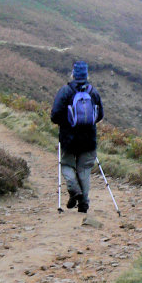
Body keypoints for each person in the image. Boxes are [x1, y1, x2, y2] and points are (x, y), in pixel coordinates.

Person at [50, 61, 103, 213]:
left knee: (67, 164)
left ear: (73, 74)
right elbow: (99, 115)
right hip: (88, 138)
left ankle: (74, 190)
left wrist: (66, 124)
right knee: (84, 169)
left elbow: (55, 115)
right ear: (87, 75)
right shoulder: (93, 92)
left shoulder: (65, 91)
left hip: (68, 138)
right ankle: (84, 203)